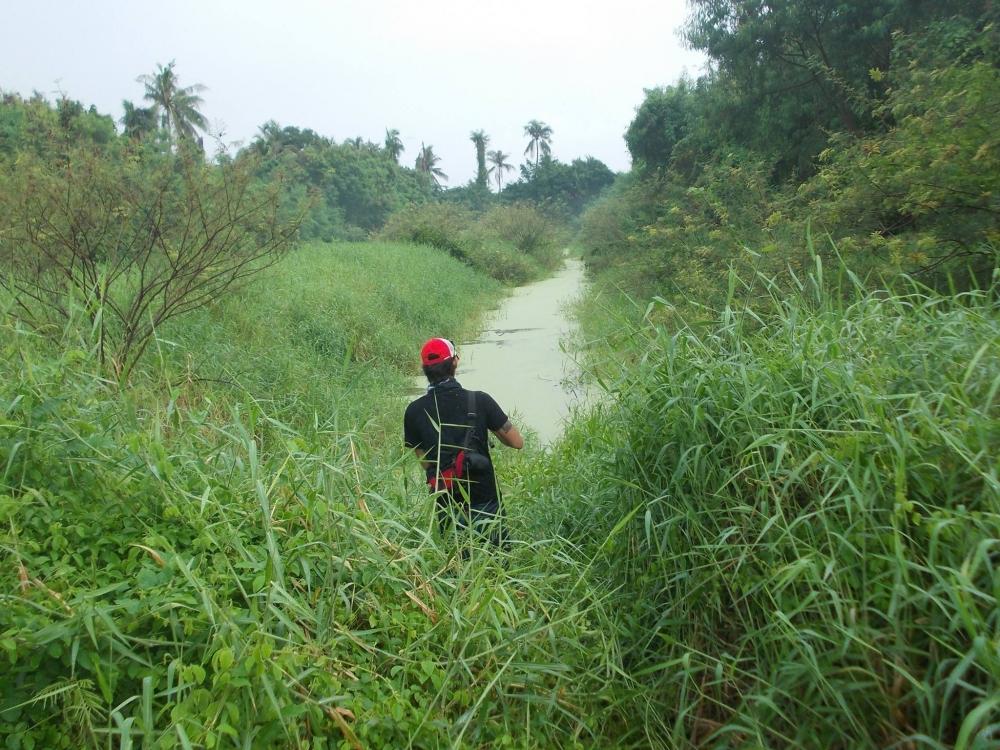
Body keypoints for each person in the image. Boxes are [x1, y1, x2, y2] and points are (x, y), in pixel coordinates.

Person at [404, 337, 523, 547]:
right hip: (485, 497)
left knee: (457, 567)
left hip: (446, 501)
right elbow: (516, 442)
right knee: (498, 562)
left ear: (425, 369)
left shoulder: (414, 411)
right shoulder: (479, 400)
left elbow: (425, 463)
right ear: (455, 362)